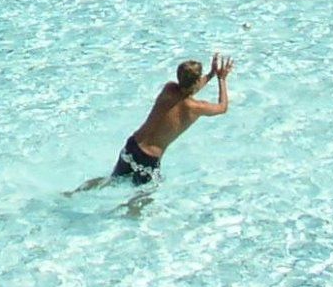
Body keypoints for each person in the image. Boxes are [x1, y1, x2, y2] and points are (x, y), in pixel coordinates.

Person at [87, 56, 233, 188]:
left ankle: (76, 192)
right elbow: (222, 107)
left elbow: (188, 89)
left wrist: (210, 75)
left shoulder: (168, 89)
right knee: (143, 197)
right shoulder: (196, 108)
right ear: (196, 81)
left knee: (110, 181)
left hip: (133, 145)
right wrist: (221, 79)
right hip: (148, 158)